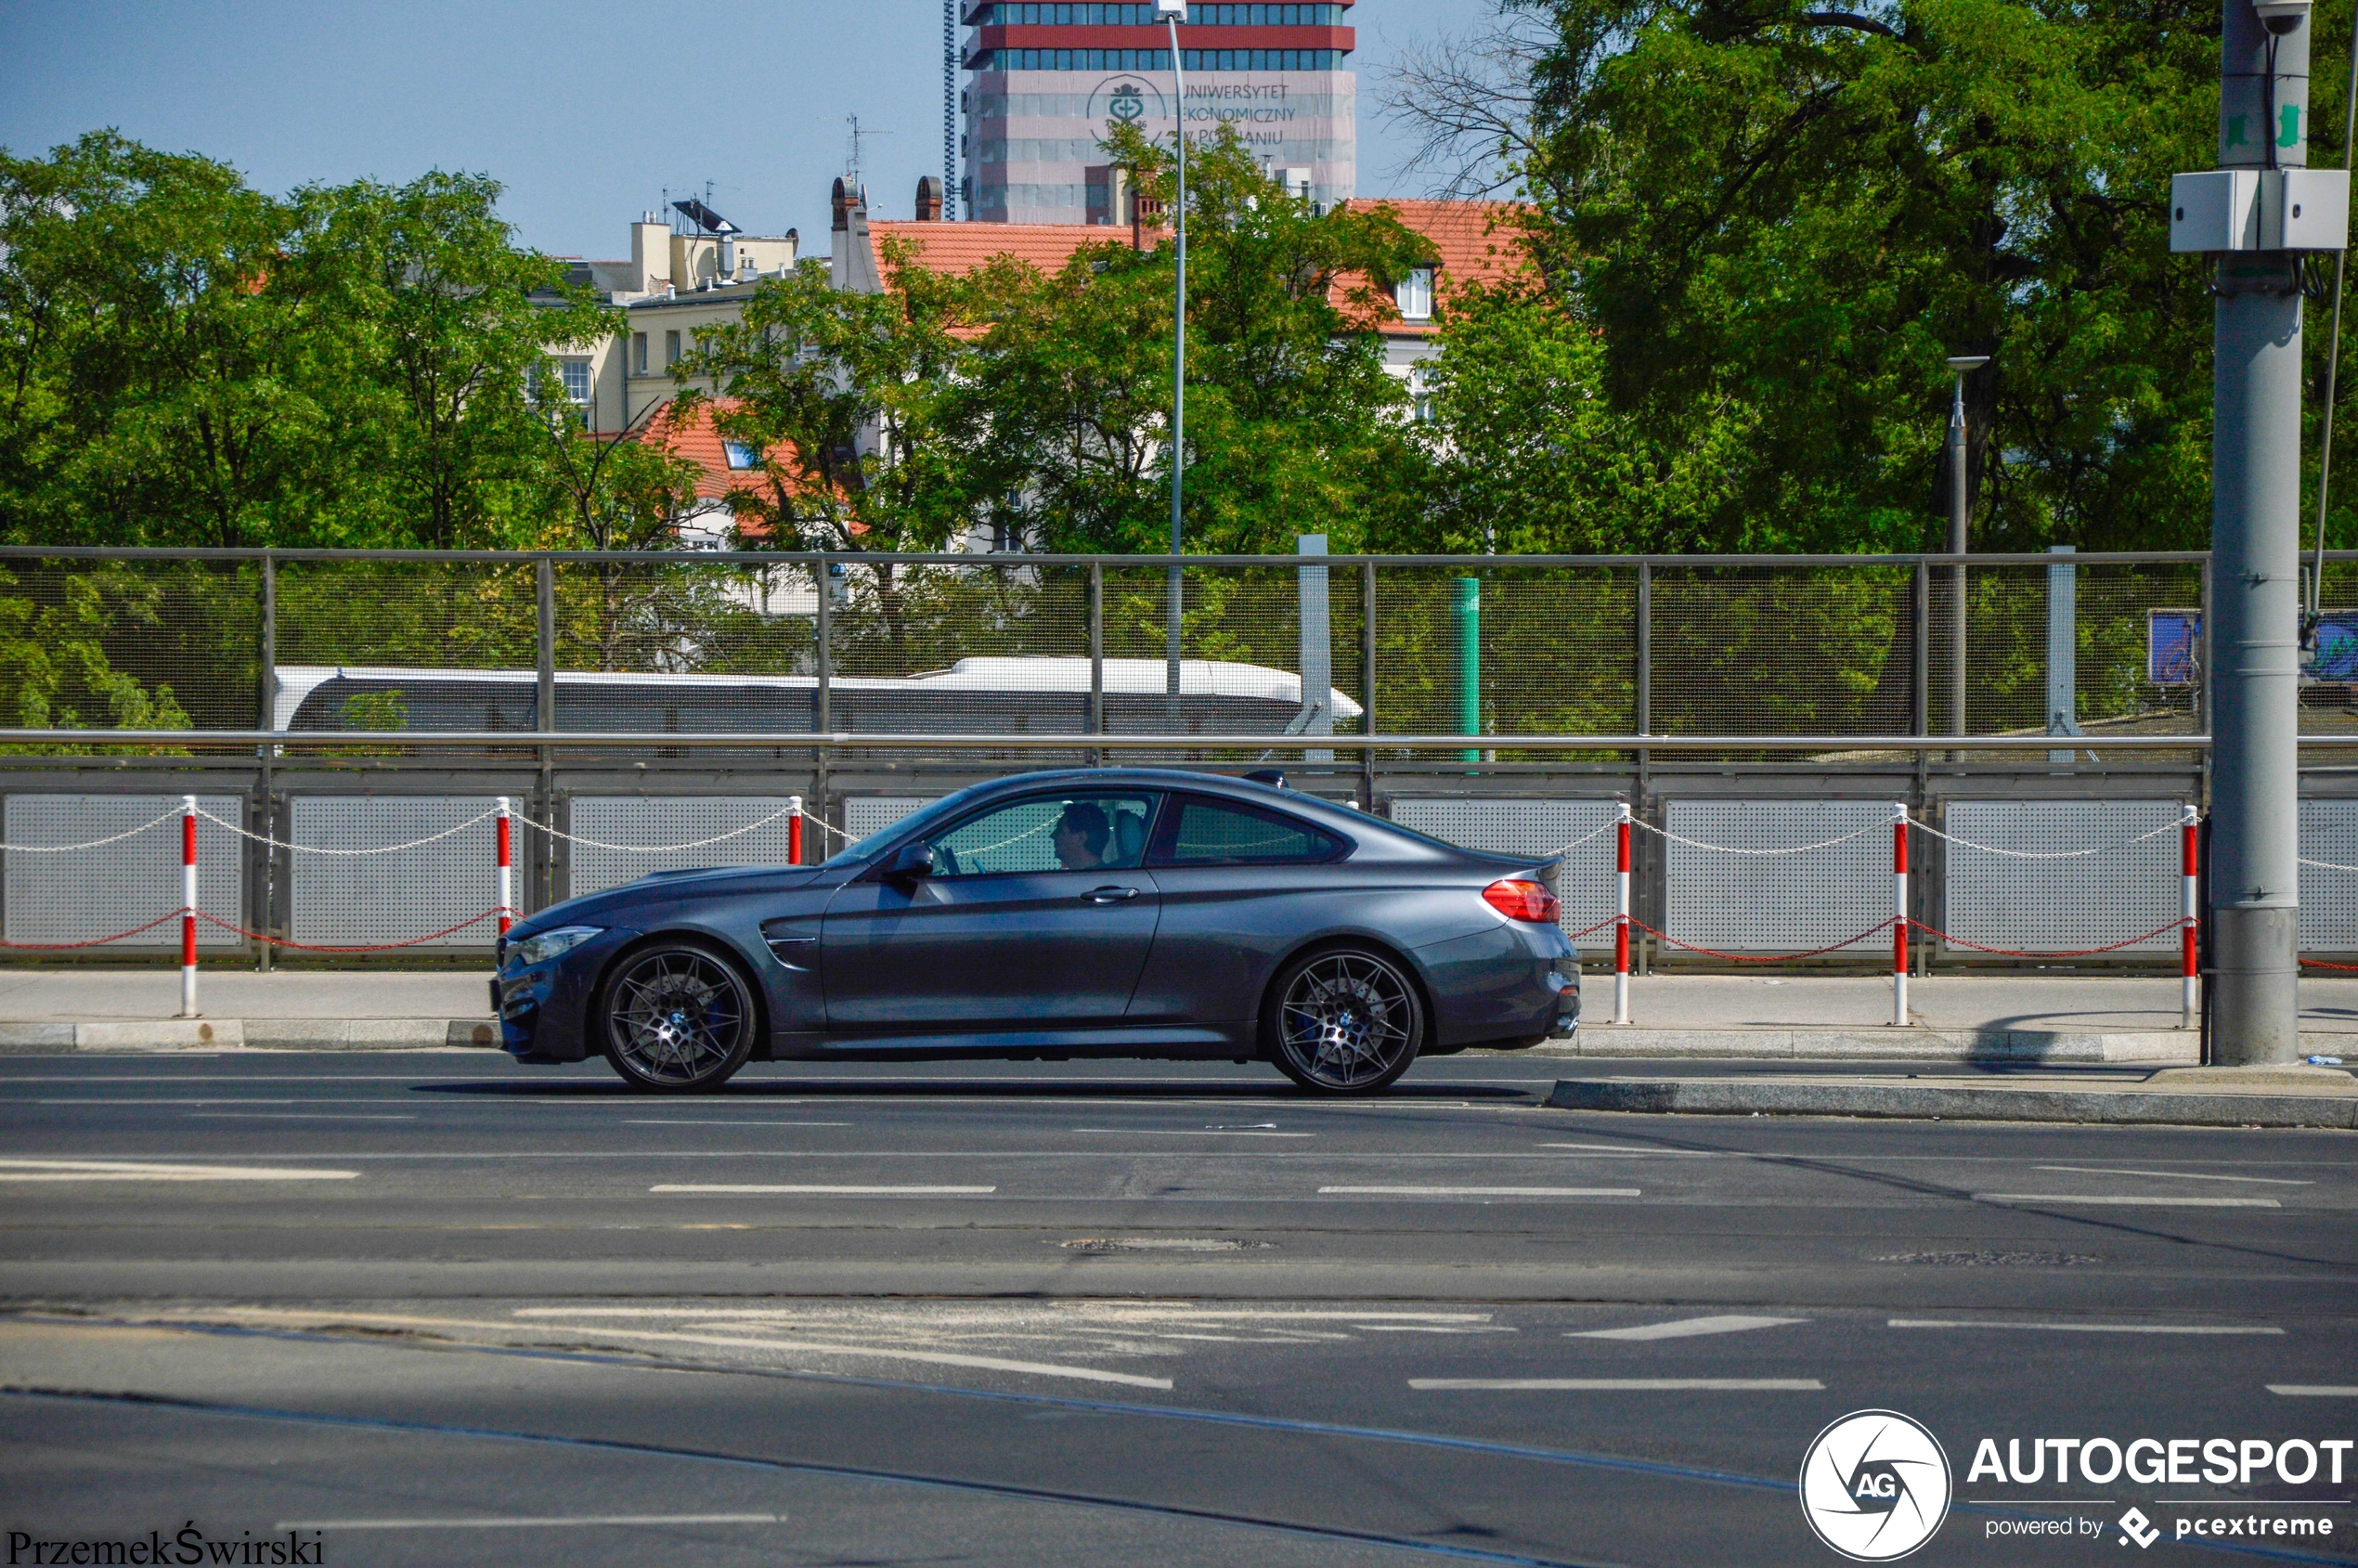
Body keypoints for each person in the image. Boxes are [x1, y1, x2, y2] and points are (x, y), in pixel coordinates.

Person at [1053, 802, 1110, 872]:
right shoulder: (1103, 876)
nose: (1053, 836)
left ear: (1080, 838)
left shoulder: (1086, 880)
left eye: (1060, 831)